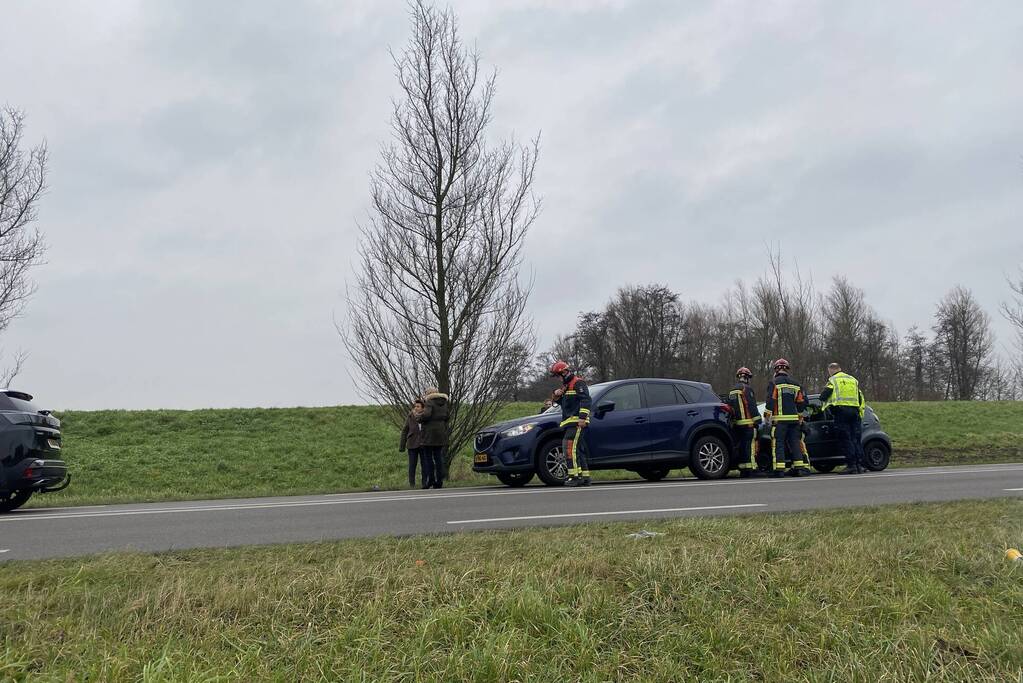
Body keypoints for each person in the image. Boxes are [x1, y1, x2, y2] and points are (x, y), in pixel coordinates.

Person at [764, 358, 809, 477]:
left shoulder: (774, 383)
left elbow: (770, 401)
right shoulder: (796, 384)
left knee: (778, 444)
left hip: (780, 421)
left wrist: (766, 417)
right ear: (787, 369)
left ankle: (779, 470)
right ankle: (799, 468)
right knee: (795, 443)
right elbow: (800, 403)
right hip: (794, 420)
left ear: (776, 369)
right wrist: (800, 418)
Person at [550, 360, 592, 487]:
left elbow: (586, 401)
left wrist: (582, 418)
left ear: (564, 372)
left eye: (558, 376)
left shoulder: (577, 383)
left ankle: (574, 477)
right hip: (570, 422)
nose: (558, 379)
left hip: (576, 422)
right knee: (577, 450)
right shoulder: (566, 386)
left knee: (569, 448)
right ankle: (584, 477)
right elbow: (564, 404)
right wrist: (556, 395)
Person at [819, 362, 866, 474]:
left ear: (830, 370)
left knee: (846, 438)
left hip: (841, 412)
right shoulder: (853, 380)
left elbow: (823, 396)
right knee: (856, 439)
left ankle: (851, 465)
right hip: (855, 412)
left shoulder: (833, 380)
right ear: (840, 368)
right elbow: (860, 397)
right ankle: (860, 465)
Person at [727, 367, 762, 478]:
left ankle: (743, 469)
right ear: (747, 377)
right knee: (750, 446)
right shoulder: (746, 389)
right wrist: (758, 420)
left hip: (737, 424)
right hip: (748, 423)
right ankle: (751, 468)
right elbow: (751, 406)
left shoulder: (732, 390)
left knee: (742, 446)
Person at [417, 386, 450, 489]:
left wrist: (419, 417)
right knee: (438, 457)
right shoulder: (444, 403)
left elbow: (426, 415)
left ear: (429, 394)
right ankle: (439, 481)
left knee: (428, 457)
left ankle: (430, 480)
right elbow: (447, 416)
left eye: (426, 393)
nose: (425, 395)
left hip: (429, 434)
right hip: (440, 433)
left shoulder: (430, 402)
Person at [399, 399, 426, 488]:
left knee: (424, 465)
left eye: (418, 406)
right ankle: (412, 484)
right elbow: (405, 430)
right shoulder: (410, 416)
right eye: (415, 406)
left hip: (423, 444)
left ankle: (424, 483)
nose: (416, 408)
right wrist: (402, 445)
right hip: (412, 443)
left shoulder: (426, 416)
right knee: (412, 465)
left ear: (423, 408)